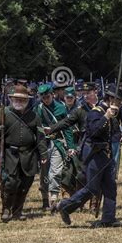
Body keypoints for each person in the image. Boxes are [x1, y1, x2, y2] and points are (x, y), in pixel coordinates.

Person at [57, 90, 122, 228]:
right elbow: (94, 132)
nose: (120, 104)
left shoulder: (111, 113)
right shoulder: (96, 112)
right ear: (111, 99)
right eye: (119, 101)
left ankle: (108, 218)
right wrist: (106, 117)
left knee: (110, 187)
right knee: (92, 188)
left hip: (106, 155)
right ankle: (65, 206)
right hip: (95, 155)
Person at [0, 85, 48, 222]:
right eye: (16, 99)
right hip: (10, 154)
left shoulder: (34, 116)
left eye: (22, 100)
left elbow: (40, 136)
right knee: (10, 183)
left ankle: (17, 211)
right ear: (11, 99)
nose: (19, 102)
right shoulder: (2, 113)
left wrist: (43, 154)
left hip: (29, 155)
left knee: (25, 184)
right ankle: (6, 209)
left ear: (27, 101)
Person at [36, 84, 76, 212]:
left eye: (47, 96)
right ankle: (44, 200)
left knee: (55, 172)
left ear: (52, 94)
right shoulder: (39, 108)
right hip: (43, 143)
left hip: (57, 142)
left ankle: (53, 199)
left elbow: (67, 128)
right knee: (44, 172)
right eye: (43, 97)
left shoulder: (61, 108)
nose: (46, 99)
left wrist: (70, 146)